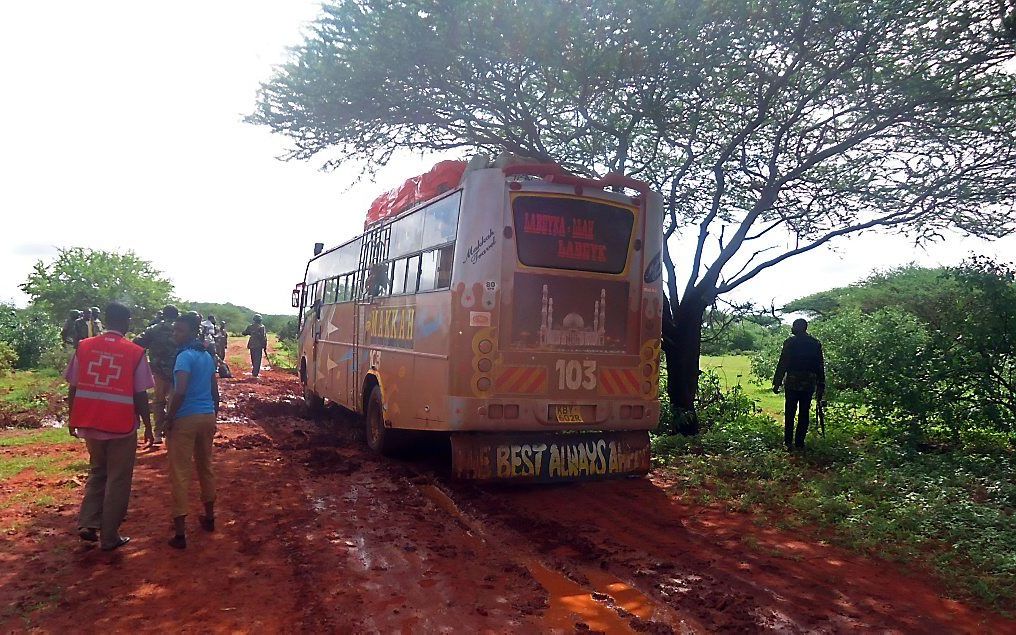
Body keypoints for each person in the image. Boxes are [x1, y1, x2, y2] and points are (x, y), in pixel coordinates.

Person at [65, 302, 154, 551]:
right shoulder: (135, 352)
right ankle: (110, 537)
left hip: (90, 422)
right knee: (118, 479)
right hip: (121, 425)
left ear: (105, 319)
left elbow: (73, 387)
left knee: (98, 471)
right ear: (126, 322)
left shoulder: (84, 347)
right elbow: (140, 396)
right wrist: (148, 426)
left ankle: (88, 522)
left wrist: (73, 418)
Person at [165, 312, 219, 549]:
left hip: (185, 418)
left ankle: (179, 534)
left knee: (180, 472)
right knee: (205, 467)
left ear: (190, 333)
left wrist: (169, 417)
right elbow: (214, 392)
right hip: (206, 416)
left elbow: (181, 390)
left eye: (179, 330)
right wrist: (213, 415)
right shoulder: (207, 356)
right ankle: (209, 517)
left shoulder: (183, 357)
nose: (174, 334)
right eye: (174, 330)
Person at [772, 318, 825, 451]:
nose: (792, 328)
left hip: (792, 382)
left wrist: (777, 382)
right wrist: (821, 384)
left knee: (790, 412)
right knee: (804, 413)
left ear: (798, 327)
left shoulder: (790, 343)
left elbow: (783, 363)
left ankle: (788, 442)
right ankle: (800, 443)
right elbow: (820, 366)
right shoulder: (815, 343)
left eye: (793, 326)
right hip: (809, 383)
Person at [133, 305, 180, 446]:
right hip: (179, 370)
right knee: (177, 401)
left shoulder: (154, 329)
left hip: (159, 370)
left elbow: (137, 342)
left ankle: (158, 433)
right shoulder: (180, 329)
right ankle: (174, 432)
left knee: (159, 402)